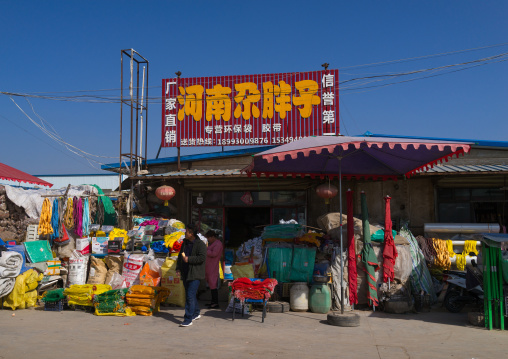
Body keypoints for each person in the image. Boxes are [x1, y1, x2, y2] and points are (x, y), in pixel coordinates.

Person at [176, 224, 207, 327]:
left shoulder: (200, 244)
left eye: (187, 232)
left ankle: (188, 319)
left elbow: (202, 258)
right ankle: (196, 312)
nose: (185, 233)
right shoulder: (184, 243)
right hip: (185, 273)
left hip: (195, 274)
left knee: (189, 296)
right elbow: (180, 256)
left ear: (191, 233)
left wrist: (189, 259)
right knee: (191, 295)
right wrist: (178, 268)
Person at [205, 230, 223, 309]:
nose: (208, 239)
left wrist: (206, 250)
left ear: (212, 237)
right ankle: (213, 302)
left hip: (213, 266)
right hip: (209, 266)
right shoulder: (213, 243)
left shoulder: (218, 244)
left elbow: (214, 254)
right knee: (211, 284)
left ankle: (215, 303)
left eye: (208, 238)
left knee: (213, 285)